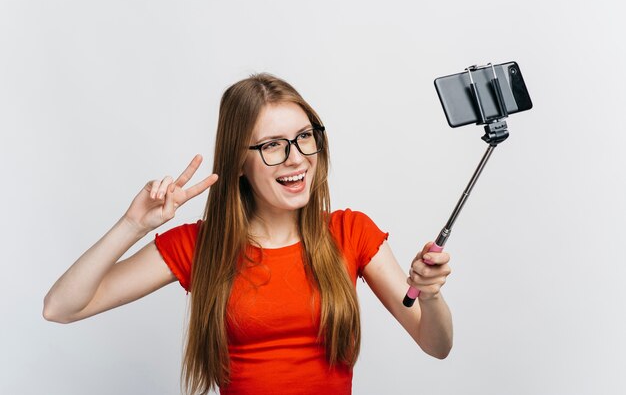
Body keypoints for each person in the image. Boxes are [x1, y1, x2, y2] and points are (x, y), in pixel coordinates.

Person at [43, 73, 453, 395]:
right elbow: (60, 308)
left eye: (304, 137)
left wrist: (430, 295)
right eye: (273, 145)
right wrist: (132, 226)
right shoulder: (200, 246)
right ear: (239, 161)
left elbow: (436, 345)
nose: (296, 158)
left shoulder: (351, 232)